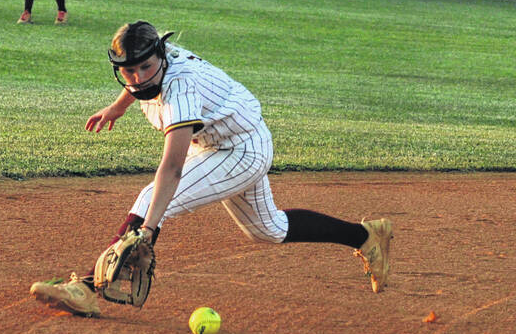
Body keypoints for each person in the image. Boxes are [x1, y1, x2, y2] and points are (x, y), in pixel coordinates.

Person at [30, 21, 393, 317]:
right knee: (269, 229)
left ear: (160, 56)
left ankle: (87, 288)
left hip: (240, 150)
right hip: (231, 139)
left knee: (151, 198)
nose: (138, 77)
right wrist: (119, 105)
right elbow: (138, 81)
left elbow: (171, 170)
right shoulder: (155, 58)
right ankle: (365, 236)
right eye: (129, 70)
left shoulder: (180, 88)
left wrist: (149, 230)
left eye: (145, 67)